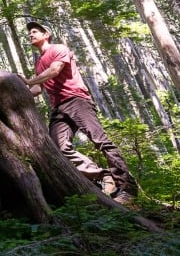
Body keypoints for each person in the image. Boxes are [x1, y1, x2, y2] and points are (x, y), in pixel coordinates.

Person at [20, 20, 137, 205]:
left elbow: (55, 70)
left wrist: (28, 80)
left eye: (35, 31)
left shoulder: (58, 49)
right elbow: (37, 89)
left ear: (46, 35)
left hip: (77, 100)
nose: (31, 35)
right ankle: (103, 176)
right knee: (59, 148)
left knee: (101, 141)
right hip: (58, 108)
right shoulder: (38, 63)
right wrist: (18, 88)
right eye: (29, 33)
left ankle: (127, 187)